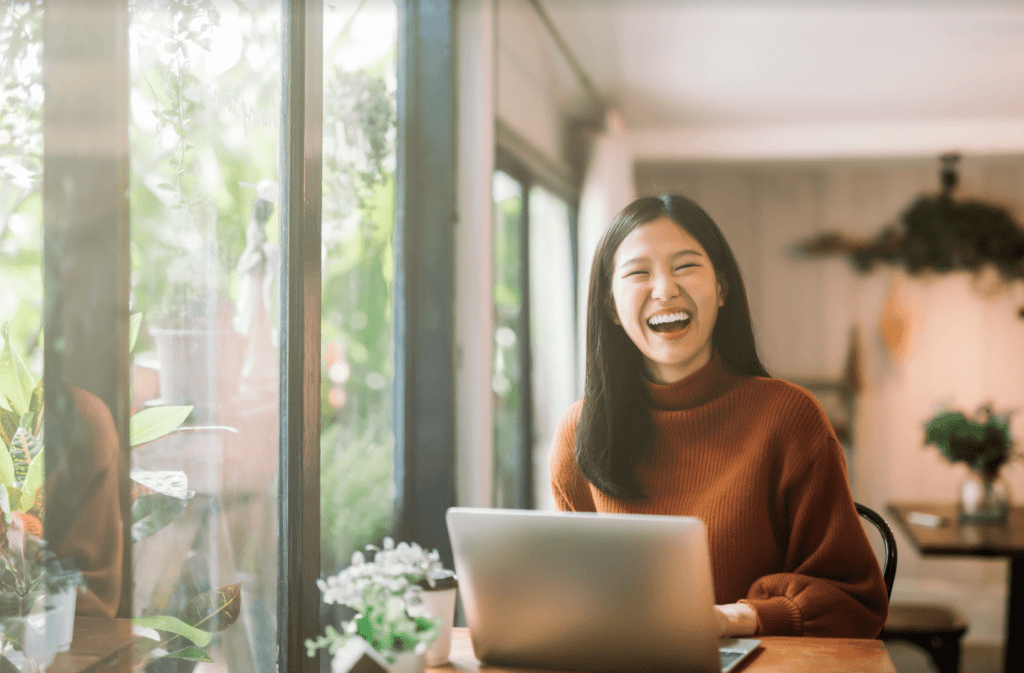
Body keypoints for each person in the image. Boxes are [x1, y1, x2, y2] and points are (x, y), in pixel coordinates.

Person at [549, 194, 888, 639]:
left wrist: (736, 618)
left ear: (722, 288)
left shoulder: (789, 418)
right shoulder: (581, 432)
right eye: (637, 273)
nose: (664, 289)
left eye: (685, 266)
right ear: (612, 306)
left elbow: (855, 601)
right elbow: (573, 591)